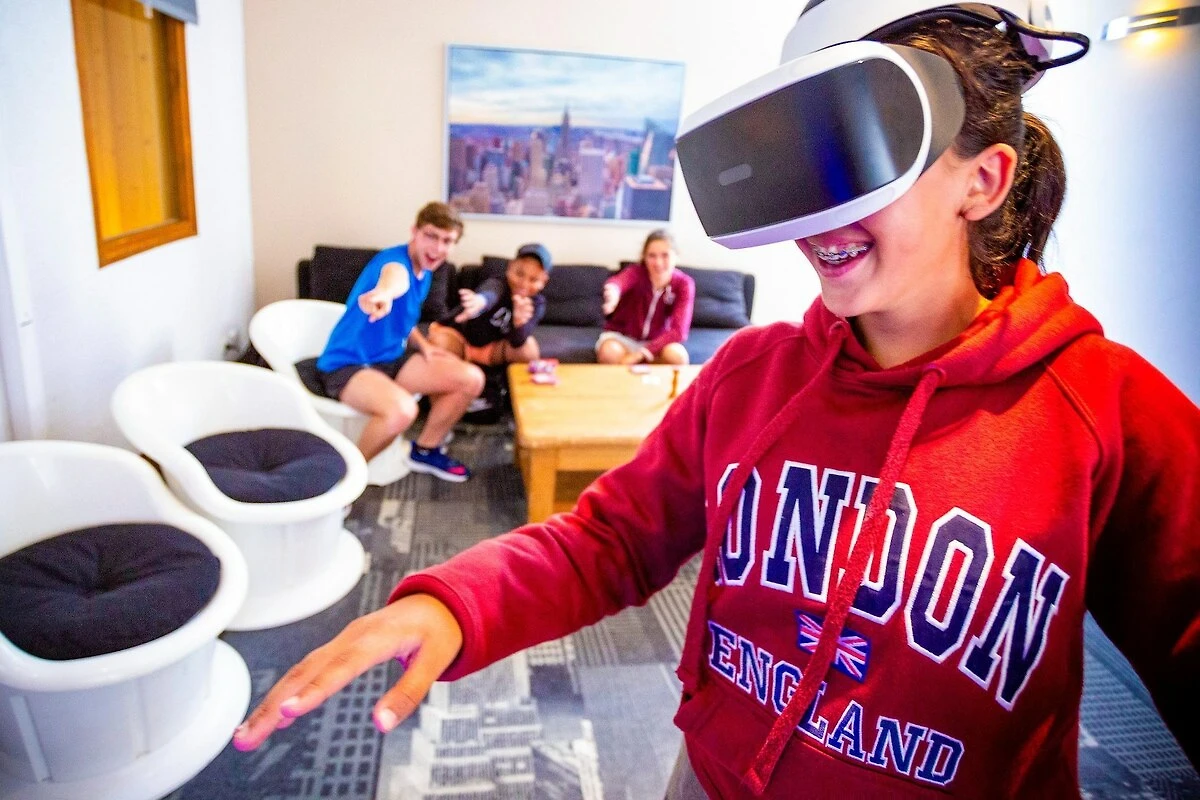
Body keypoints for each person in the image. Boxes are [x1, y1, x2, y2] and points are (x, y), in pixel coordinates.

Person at [234, 5, 1198, 798]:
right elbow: (610, 539)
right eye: (801, 164)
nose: (818, 215)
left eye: (856, 156)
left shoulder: (1107, 414)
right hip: (711, 777)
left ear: (982, 181)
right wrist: (460, 605)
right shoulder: (749, 377)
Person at [314, 201, 483, 483]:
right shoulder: (394, 262)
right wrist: (383, 293)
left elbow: (405, 319)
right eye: (431, 236)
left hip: (390, 358)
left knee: (471, 379)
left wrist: (425, 346)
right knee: (403, 411)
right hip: (348, 363)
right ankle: (345, 481)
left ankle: (426, 450)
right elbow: (394, 279)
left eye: (447, 241)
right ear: (414, 232)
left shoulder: (425, 271)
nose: (438, 248)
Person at [427, 243, 552, 367]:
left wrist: (518, 323)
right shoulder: (499, 283)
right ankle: (462, 365)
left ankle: (473, 362)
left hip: (489, 350)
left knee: (529, 348)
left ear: (544, 281)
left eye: (533, 280)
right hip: (460, 338)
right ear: (510, 267)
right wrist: (480, 301)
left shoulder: (536, 304)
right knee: (440, 342)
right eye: (519, 274)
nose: (524, 284)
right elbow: (491, 293)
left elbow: (517, 342)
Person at [597, 229, 695, 365]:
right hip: (623, 338)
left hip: (657, 341)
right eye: (652, 256)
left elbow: (679, 331)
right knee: (609, 352)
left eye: (665, 255)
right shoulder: (636, 273)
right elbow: (619, 282)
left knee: (677, 356)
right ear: (644, 257)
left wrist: (641, 354)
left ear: (675, 256)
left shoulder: (684, 284)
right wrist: (613, 292)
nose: (658, 263)